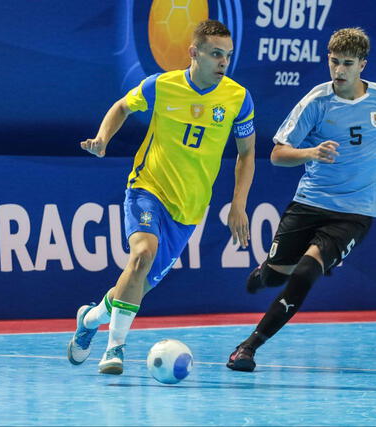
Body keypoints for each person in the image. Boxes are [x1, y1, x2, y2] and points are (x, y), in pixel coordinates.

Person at [226, 27, 376, 372]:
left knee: (308, 270)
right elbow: (278, 155)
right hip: (310, 202)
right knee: (276, 277)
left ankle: (248, 347)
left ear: (362, 65)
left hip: (355, 212)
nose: (339, 71)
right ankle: (266, 271)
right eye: (334, 62)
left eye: (347, 63)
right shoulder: (317, 102)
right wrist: (311, 152)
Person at [68, 20, 256, 375]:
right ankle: (115, 350)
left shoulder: (237, 98)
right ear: (194, 53)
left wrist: (239, 204)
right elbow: (122, 106)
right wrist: (103, 138)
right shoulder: (161, 86)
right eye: (216, 54)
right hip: (148, 188)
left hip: (188, 210)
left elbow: (247, 153)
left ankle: (90, 319)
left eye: (227, 56)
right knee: (141, 256)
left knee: (138, 284)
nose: (223, 62)